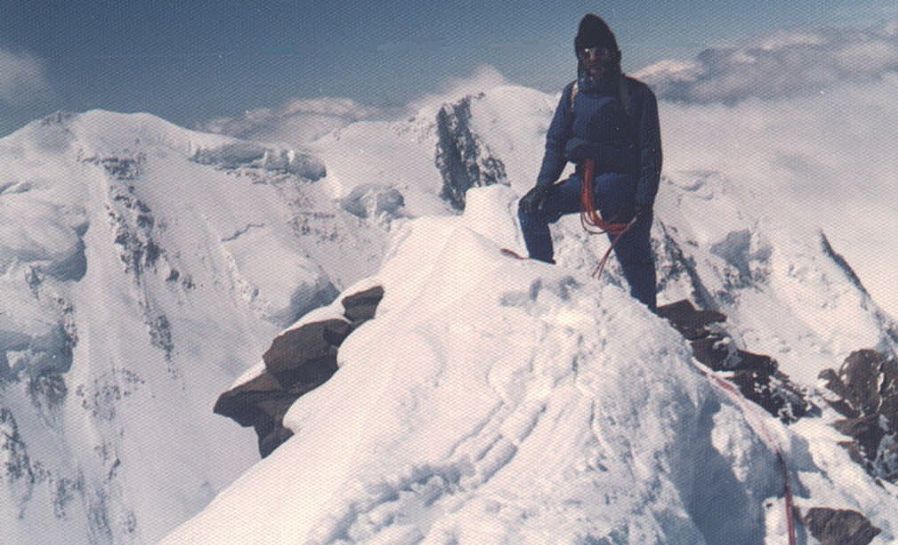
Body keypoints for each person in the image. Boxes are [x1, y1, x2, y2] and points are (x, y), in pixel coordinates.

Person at [518, 13, 662, 311]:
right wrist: (543, 186)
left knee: (634, 258)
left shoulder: (637, 95)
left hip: (621, 185)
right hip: (585, 181)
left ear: (614, 55)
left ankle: (649, 321)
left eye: (601, 51)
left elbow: (650, 153)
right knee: (530, 210)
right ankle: (547, 285)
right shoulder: (572, 94)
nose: (594, 58)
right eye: (587, 52)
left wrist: (643, 199)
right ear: (580, 56)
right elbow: (556, 143)